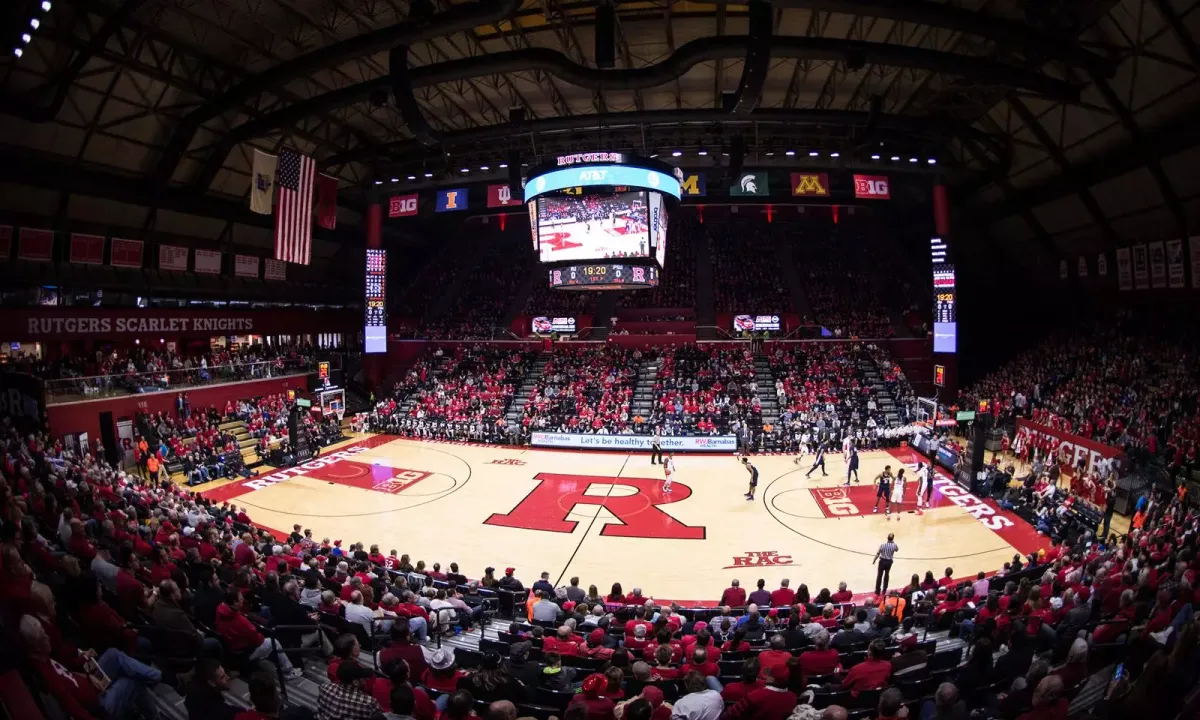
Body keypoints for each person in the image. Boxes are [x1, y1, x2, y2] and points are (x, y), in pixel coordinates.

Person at [21, 614, 163, 720]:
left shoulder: (46, 657)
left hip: (91, 683)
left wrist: (88, 677)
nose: (47, 637)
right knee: (132, 682)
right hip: (99, 707)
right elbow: (77, 713)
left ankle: (158, 676)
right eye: (42, 635)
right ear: (35, 647)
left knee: (112, 654)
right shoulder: (49, 680)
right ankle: (155, 716)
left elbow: (69, 673)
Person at [214, 589, 303, 679]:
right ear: (234, 602)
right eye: (241, 599)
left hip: (233, 647)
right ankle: (289, 671)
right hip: (244, 652)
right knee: (274, 642)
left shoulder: (219, 609)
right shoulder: (240, 621)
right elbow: (258, 640)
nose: (243, 600)